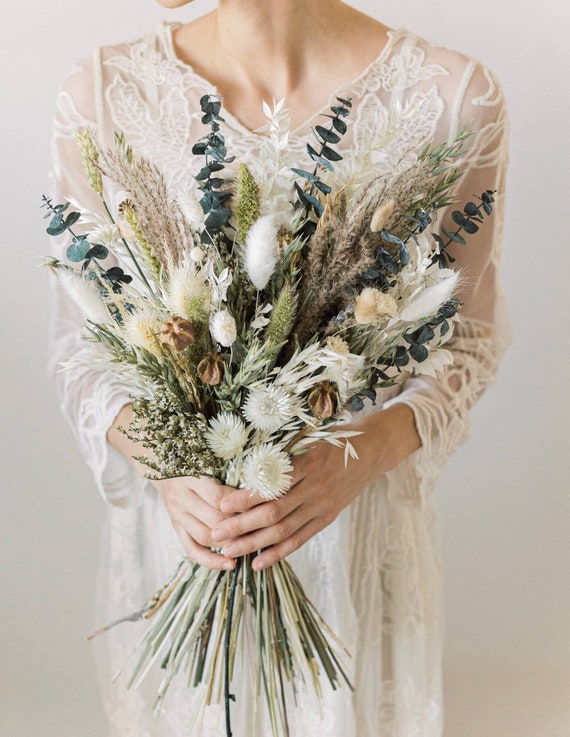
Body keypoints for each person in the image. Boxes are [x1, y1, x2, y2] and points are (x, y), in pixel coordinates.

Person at [49, 1, 510, 735]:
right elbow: (83, 343)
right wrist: (165, 464)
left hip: (351, 548)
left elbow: (470, 339)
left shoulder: (453, 97)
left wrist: (359, 456)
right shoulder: (103, 93)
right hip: (188, 548)